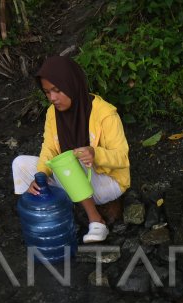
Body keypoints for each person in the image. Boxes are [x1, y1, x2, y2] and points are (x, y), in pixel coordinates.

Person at [12, 56, 130, 243]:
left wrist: (95, 153)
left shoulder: (105, 114)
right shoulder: (53, 113)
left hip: (106, 182)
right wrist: (40, 175)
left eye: (57, 91)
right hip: (69, 176)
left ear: (72, 84)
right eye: (47, 92)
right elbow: (49, 148)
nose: (52, 98)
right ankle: (40, 217)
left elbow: (123, 158)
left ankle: (96, 220)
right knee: (20, 164)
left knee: (68, 162)